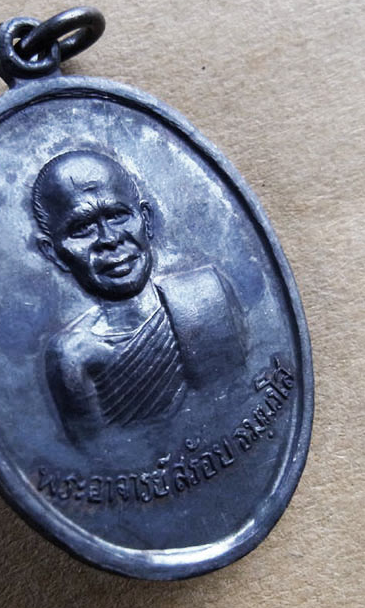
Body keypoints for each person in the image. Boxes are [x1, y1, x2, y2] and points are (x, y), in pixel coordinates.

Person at [33, 150, 246, 443]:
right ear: (53, 253)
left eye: (117, 216)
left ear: (146, 219)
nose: (109, 239)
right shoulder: (73, 356)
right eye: (82, 228)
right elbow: (99, 456)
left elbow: (239, 396)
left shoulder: (207, 295)